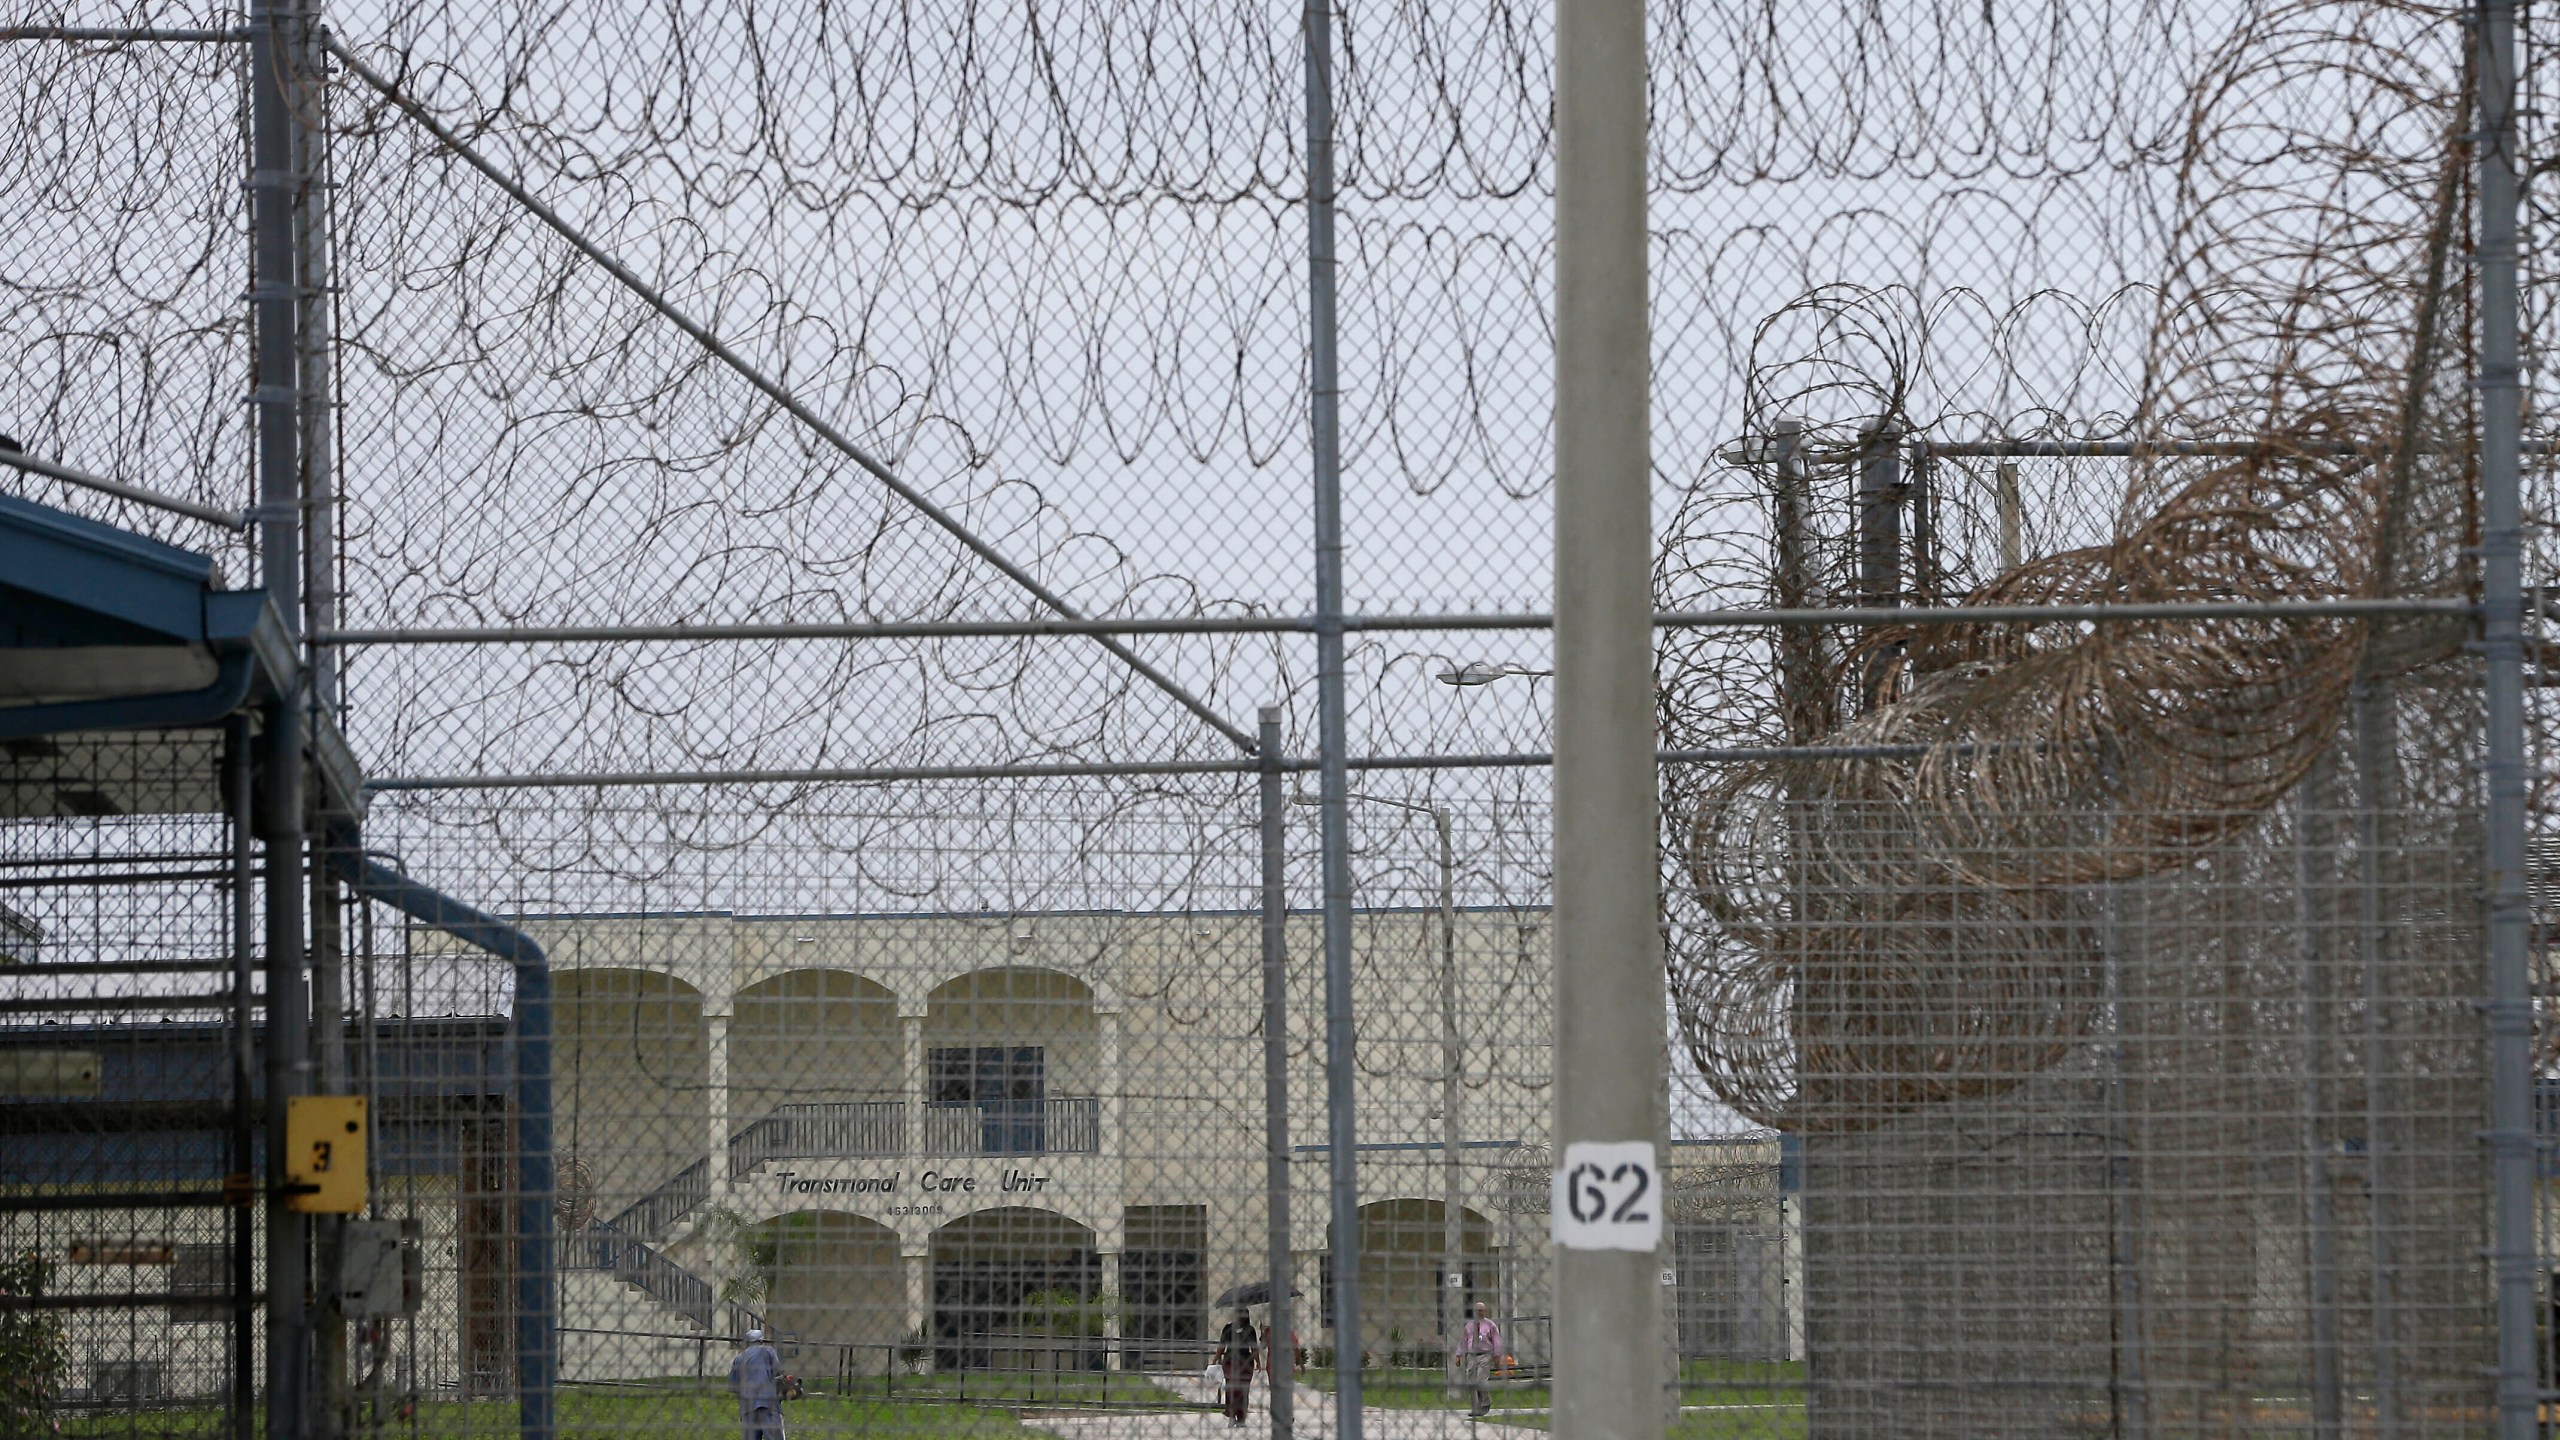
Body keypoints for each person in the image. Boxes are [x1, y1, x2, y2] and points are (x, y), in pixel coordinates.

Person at [728, 1328, 786, 1440]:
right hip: (768, 1402)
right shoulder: (768, 1351)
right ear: (761, 1340)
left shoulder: (739, 1358)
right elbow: (778, 1373)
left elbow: (734, 1386)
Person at [1455, 1301, 1501, 1419]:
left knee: (1481, 1380)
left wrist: (1497, 1355)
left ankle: (1485, 1403)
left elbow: (1496, 1341)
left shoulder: (1490, 1325)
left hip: (1485, 1355)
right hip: (1472, 1356)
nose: (1479, 1312)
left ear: (1485, 1311)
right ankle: (1476, 1407)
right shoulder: (1469, 1326)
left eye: (1481, 1310)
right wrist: (1458, 1355)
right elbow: (1463, 1341)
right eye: (1477, 1310)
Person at [1216, 1305, 1259, 1426]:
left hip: (1245, 1362)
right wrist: (1215, 1360)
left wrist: (1258, 1362)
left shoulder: (1250, 1330)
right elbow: (1221, 1346)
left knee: (1243, 1390)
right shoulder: (1228, 1328)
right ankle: (1231, 1414)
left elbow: (1254, 1348)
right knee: (1231, 1389)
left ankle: (1241, 1417)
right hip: (1230, 1361)